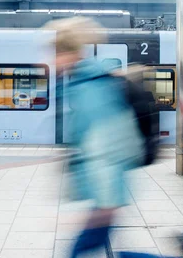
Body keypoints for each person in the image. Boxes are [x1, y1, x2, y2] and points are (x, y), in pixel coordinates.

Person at [45, 18, 150, 258]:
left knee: (80, 253)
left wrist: (106, 202)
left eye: (54, 53)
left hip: (105, 193)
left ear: (69, 53)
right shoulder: (82, 82)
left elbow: (105, 147)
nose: (51, 60)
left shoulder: (90, 88)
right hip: (102, 194)